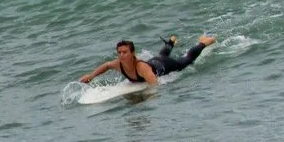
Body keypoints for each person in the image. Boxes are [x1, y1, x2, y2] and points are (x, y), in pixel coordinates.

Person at [78, 35, 217, 87]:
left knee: (187, 60)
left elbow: (154, 85)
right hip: (154, 61)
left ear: (132, 53)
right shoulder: (118, 64)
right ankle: (171, 41)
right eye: (119, 52)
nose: (121, 55)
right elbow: (107, 65)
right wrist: (90, 76)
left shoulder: (141, 68)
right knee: (162, 54)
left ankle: (204, 42)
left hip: (165, 66)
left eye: (125, 52)